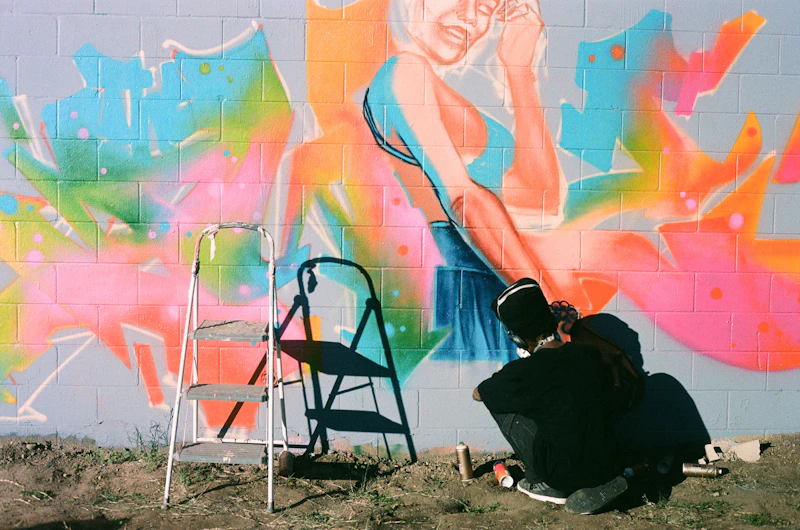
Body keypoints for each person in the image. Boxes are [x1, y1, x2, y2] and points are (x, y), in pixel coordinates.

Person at [365, 0, 661, 316]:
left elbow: (540, 198)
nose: (470, 16)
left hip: (498, 289)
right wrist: (551, 317)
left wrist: (519, 70)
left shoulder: (435, 89)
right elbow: (464, 200)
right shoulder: (405, 73)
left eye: (486, 8)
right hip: (482, 293)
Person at [473, 278, 628, 514]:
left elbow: (479, 393)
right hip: (608, 462)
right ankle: (599, 478)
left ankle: (543, 484)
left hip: (561, 474)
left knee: (497, 401)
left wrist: (519, 374)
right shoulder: (589, 354)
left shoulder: (523, 372)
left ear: (517, 337)